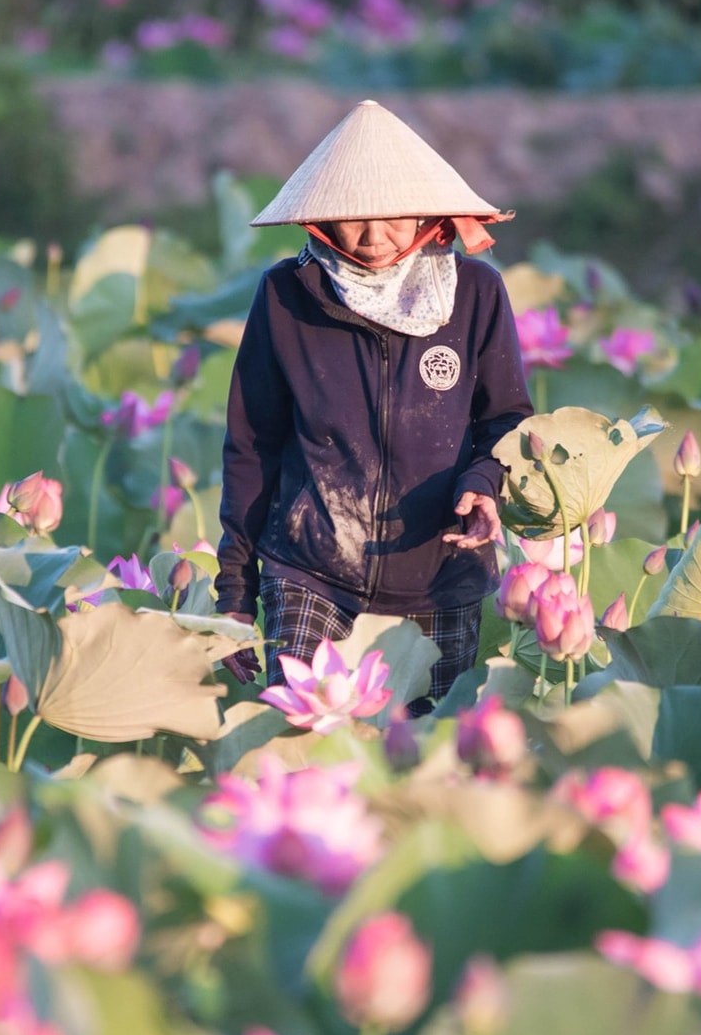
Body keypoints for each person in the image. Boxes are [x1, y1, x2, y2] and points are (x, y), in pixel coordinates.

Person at [214, 99, 533, 712]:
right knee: (303, 755)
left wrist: (484, 481)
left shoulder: (476, 294)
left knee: (422, 769)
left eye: (394, 215)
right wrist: (234, 593)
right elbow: (251, 446)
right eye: (354, 217)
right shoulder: (285, 296)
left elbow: (508, 421)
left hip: (441, 576)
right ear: (321, 221)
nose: (376, 236)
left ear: (428, 212)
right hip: (309, 569)